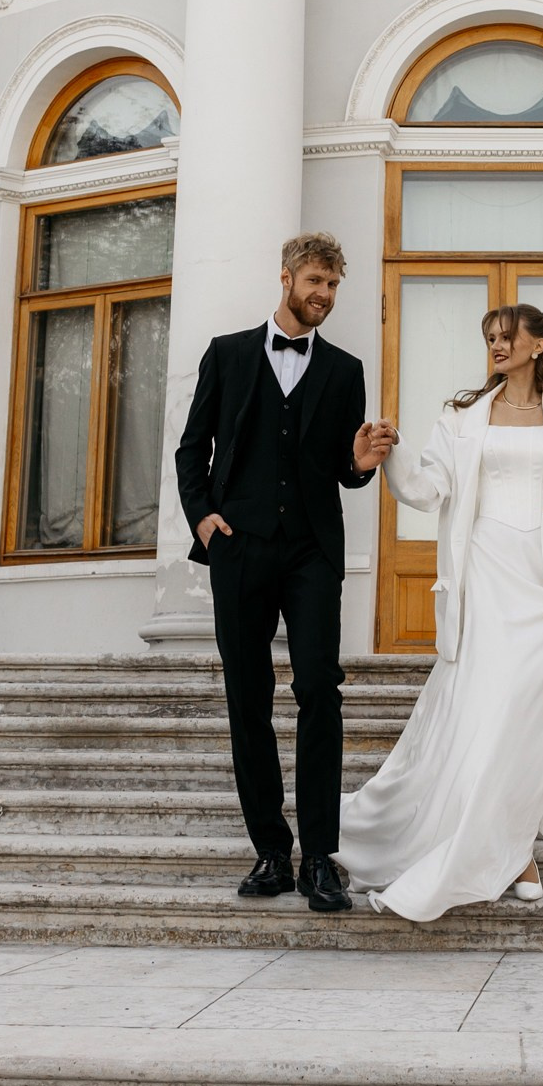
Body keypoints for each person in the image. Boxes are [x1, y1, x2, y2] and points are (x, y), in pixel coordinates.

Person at [341, 302, 543, 919]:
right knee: (490, 709)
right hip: (486, 571)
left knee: (526, 720)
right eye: (489, 337)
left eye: (506, 337)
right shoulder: (462, 415)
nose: (495, 346)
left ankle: (511, 841)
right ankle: (506, 849)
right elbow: (426, 488)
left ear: (538, 345)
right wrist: (394, 452)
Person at [175, 231, 394, 915]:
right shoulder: (229, 354)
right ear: (287, 279)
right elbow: (192, 449)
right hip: (239, 547)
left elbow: (341, 471)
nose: (324, 295)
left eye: (333, 286)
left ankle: (320, 859)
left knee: (319, 692)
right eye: (315, 283)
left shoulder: (344, 370)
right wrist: (205, 519)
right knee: (248, 696)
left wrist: (359, 462)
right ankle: (271, 850)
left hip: (309, 552)